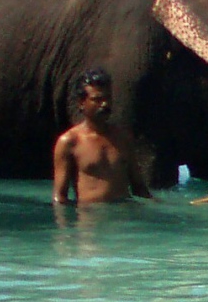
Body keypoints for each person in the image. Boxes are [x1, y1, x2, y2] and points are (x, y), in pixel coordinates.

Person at [52, 69, 144, 203]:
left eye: (108, 98)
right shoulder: (70, 142)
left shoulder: (123, 138)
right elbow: (60, 197)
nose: (105, 104)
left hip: (123, 219)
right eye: (97, 99)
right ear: (81, 103)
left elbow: (140, 189)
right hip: (90, 219)